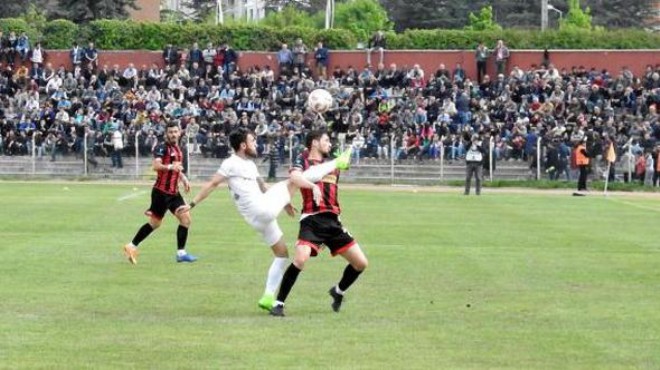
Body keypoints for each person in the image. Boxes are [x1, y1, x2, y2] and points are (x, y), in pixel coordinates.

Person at [177, 128, 352, 311]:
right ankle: (337, 162)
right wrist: (192, 204)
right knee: (293, 180)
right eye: (253, 141)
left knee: (282, 254)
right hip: (261, 210)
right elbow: (212, 183)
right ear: (243, 145)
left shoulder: (250, 165)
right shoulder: (230, 163)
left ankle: (268, 297)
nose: (256, 144)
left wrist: (284, 202)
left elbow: (263, 186)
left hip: (260, 216)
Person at [270, 130, 368, 317]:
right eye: (326, 140)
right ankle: (278, 303)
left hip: (333, 221)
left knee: (361, 263)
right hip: (312, 219)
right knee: (300, 259)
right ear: (314, 143)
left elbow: (344, 161)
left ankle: (338, 291)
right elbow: (295, 178)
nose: (329, 144)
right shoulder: (303, 161)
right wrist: (291, 197)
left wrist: (348, 151)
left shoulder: (333, 164)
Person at [122, 122, 197, 264]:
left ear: (179, 132)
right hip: (161, 193)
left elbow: (177, 168)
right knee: (155, 223)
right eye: (170, 132)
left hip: (174, 192)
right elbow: (156, 166)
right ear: (166, 134)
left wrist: (184, 178)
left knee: (185, 220)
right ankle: (131, 246)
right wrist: (170, 166)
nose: (173, 134)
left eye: (175, 131)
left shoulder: (178, 149)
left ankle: (181, 253)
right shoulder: (161, 148)